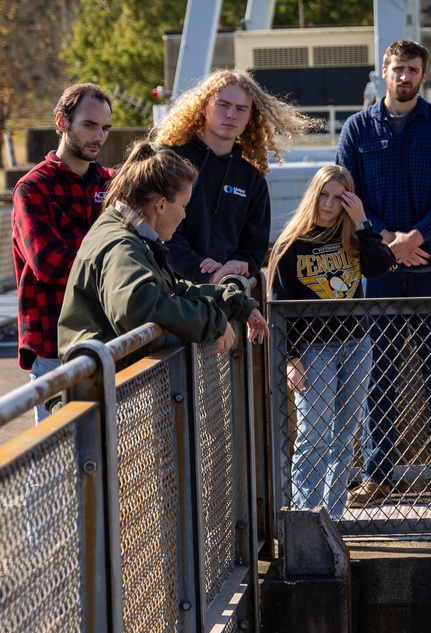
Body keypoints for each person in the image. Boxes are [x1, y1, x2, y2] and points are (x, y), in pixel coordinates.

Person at [337, 40, 431, 510]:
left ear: (423, 75)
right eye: (398, 69)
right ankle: (376, 475)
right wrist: (389, 243)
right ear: (384, 70)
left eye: (413, 70)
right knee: (379, 373)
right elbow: (346, 195)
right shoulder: (357, 129)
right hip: (378, 271)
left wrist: (413, 238)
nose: (404, 77)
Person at [267, 165, 395, 520]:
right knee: (314, 435)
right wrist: (292, 359)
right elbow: (279, 307)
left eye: (338, 197)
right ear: (313, 195)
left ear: (348, 200)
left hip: (356, 345)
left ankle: (334, 517)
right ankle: (307, 520)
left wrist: (363, 222)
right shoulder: (291, 246)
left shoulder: (354, 239)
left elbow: (382, 266)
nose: (328, 203)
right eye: (323, 194)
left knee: (346, 434)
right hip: (313, 350)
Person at [59, 142, 267, 360]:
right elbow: (136, 306)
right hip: (103, 387)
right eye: (184, 206)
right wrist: (212, 320)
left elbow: (169, 291)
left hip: (110, 382)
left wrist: (234, 302)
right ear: (161, 205)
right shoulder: (122, 245)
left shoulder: (128, 232)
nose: (185, 215)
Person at [12, 83, 115, 420]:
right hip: (54, 343)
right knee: (54, 464)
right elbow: (49, 263)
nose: (98, 136)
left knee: (106, 458)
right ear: (62, 122)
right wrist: (111, 258)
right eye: (89, 125)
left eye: (105, 128)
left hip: (107, 338)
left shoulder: (112, 184)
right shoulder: (33, 188)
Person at [154, 70, 312, 284]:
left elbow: (254, 248)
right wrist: (204, 273)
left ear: (250, 117)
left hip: (227, 293)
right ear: (203, 107)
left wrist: (232, 269)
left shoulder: (252, 179)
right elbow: (159, 231)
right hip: (170, 290)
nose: (231, 114)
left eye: (241, 109)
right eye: (223, 105)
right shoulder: (168, 160)